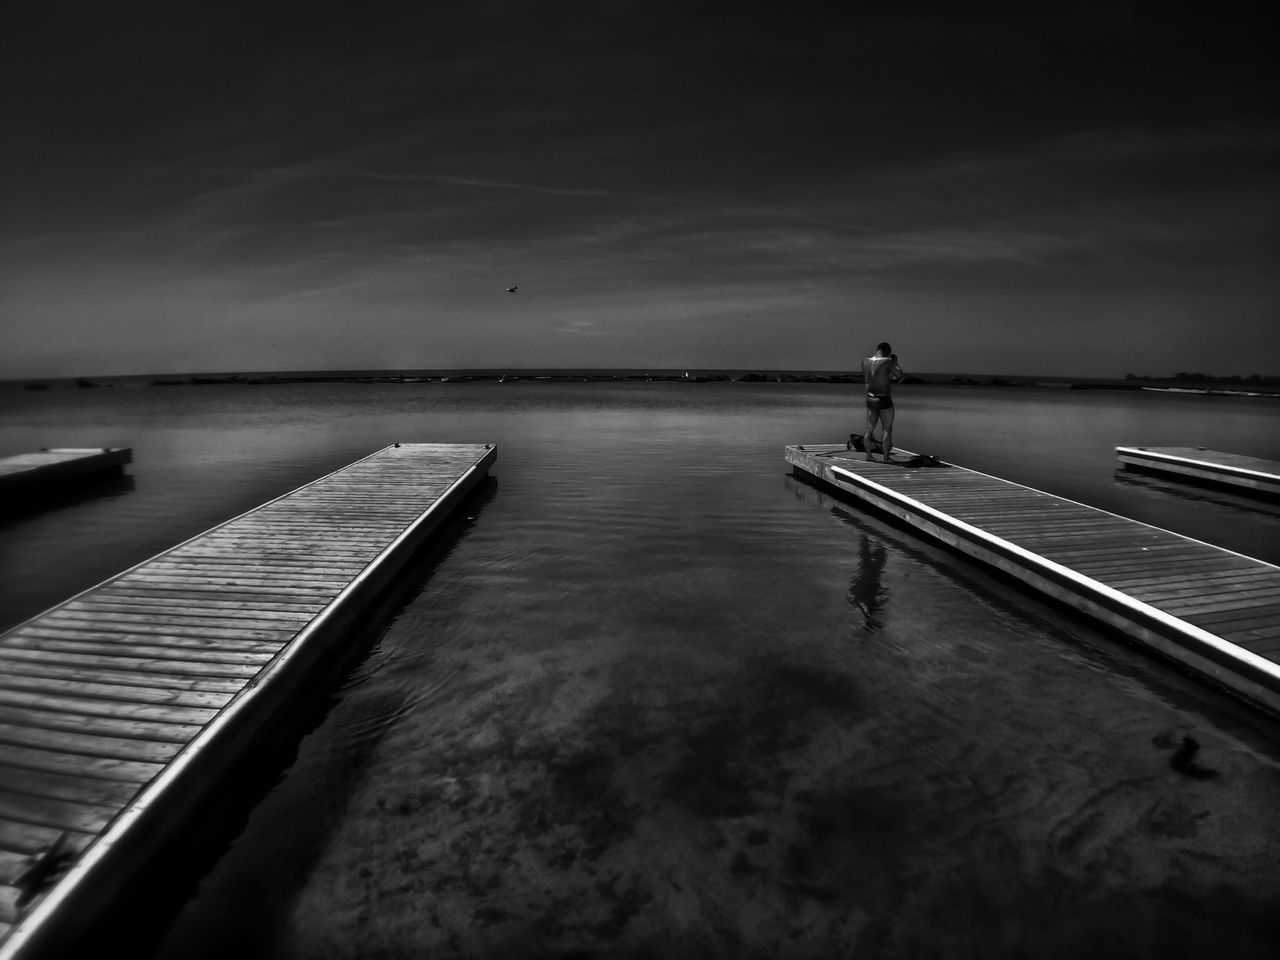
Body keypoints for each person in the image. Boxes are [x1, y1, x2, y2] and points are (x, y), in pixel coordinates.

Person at [859, 342, 904, 462]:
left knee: (869, 429)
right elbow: (899, 375)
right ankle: (885, 457)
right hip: (884, 399)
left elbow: (868, 380)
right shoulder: (887, 361)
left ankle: (868, 456)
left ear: (877, 349)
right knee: (887, 429)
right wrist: (895, 362)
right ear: (887, 351)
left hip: (870, 398)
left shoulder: (865, 362)